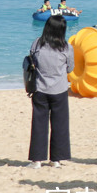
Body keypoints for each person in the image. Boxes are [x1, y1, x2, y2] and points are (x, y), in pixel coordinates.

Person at [27, 14, 74, 169]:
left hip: (40, 88)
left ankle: (37, 160)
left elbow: (31, 62)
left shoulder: (37, 44)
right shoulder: (66, 47)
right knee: (60, 124)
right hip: (59, 90)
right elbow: (70, 68)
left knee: (39, 124)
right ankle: (56, 160)